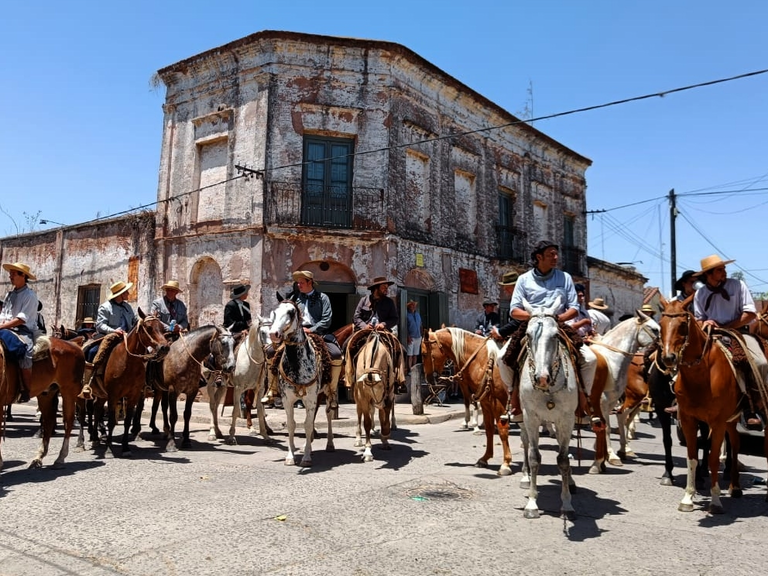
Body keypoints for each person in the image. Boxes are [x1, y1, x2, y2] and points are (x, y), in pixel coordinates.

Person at [508, 241, 596, 419]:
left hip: (557, 323)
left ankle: (583, 399)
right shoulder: (523, 279)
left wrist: (557, 318)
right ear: (539, 257)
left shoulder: (565, 277)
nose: (556, 258)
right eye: (551, 255)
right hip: (530, 324)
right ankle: (514, 402)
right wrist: (535, 317)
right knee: (504, 358)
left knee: (590, 359)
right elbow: (514, 310)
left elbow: (574, 307)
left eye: (556, 254)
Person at [692, 254, 766, 430]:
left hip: (738, 332)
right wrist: (706, 323)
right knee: (686, 359)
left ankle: (755, 407)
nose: (724, 272)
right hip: (710, 335)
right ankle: (683, 403)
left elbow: (749, 314)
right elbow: (698, 318)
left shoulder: (738, 285)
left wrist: (726, 326)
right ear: (709, 274)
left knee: (760, 362)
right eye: (720, 270)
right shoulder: (700, 294)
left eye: (724, 269)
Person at [80, 280, 139, 399]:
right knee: (92, 352)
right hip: (108, 336)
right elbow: (100, 325)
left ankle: (143, 384)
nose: (128, 293)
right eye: (126, 291)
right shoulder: (105, 307)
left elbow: (133, 321)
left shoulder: (128, 307)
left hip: (127, 337)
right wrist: (114, 331)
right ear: (120, 294)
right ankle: (88, 383)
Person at [291, 270, 342, 407]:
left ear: (310, 282)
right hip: (297, 334)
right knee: (275, 353)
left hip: (318, 333)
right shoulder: (295, 298)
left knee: (336, 354)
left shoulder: (323, 298)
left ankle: (331, 390)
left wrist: (312, 329)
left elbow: (327, 320)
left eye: (302, 282)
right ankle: (274, 389)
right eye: (298, 283)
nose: (299, 285)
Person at [0, 262, 39, 402]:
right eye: (10, 273)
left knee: (25, 353)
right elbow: (4, 313)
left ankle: (25, 389)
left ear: (23, 276)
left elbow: (22, 319)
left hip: (22, 331)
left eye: (13, 273)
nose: (10, 276)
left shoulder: (30, 295)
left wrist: (2, 327)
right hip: (5, 328)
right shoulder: (9, 295)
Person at [491, 271, 521, 341]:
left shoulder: (523, 299)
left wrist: (500, 332)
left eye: (507, 288)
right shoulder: (515, 299)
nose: (505, 290)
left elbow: (518, 321)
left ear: (515, 286)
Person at [405, 299, 422, 370]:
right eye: (412, 305)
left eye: (414, 305)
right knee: (410, 355)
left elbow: (421, 324)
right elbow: (405, 326)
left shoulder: (417, 314)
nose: (414, 306)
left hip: (418, 337)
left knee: (415, 354)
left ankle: (414, 369)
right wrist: (408, 336)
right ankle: (409, 370)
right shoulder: (407, 315)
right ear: (409, 306)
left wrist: (422, 334)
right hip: (411, 337)